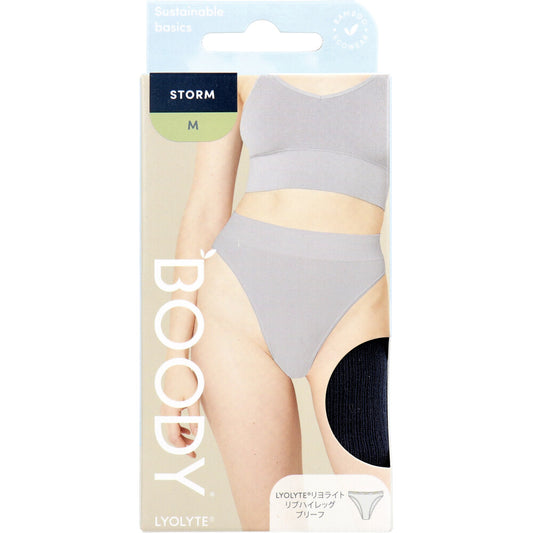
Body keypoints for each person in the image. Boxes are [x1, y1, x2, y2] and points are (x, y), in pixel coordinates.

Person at [161, 74, 390, 530]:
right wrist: (175, 359)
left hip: (355, 310)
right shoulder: (233, 64)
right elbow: (205, 208)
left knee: (386, 515)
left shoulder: (398, 64)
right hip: (237, 306)